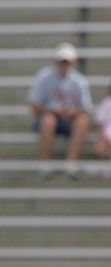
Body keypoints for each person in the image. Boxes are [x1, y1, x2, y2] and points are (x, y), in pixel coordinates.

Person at [27, 42, 92, 178]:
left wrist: (71, 112)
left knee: (82, 120)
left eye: (66, 61)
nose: (64, 64)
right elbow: (34, 104)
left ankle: (71, 163)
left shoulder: (79, 80)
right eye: (62, 61)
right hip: (46, 119)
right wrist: (52, 111)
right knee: (49, 120)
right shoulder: (43, 77)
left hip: (69, 120)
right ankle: (44, 163)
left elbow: (85, 108)